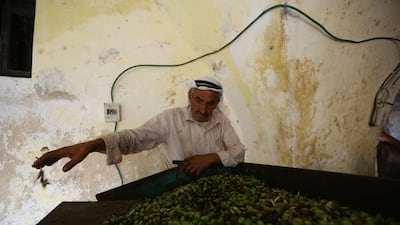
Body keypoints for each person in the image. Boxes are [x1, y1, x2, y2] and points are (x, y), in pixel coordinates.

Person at [32, 77, 245, 176]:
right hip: (179, 184)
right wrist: (91, 145)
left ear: (218, 103)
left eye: (211, 103)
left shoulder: (221, 120)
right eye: (198, 100)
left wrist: (210, 158)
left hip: (218, 182)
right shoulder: (171, 119)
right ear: (189, 96)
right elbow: (134, 138)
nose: (203, 109)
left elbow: (238, 152)